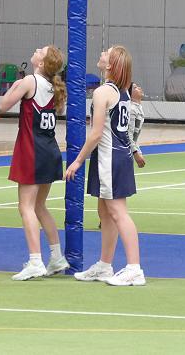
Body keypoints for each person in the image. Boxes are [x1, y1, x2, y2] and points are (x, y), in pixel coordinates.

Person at [66, 46, 146, 287]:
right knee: (105, 212)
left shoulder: (103, 92)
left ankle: (134, 268)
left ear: (111, 65)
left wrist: (77, 161)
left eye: (106, 52)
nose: (101, 53)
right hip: (117, 156)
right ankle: (104, 265)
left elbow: (96, 134)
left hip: (110, 158)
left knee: (118, 212)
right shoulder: (122, 93)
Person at [0, 45, 69, 281]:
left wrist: (16, 84)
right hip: (49, 150)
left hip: (32, 150)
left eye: (41, 50)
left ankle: (35, 260)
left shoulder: (30, 81)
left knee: (26, 207)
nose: (36, 49)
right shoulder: (52, 86)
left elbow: (3, 105)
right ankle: (56, 257)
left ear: (41, 62)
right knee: (39, 206)